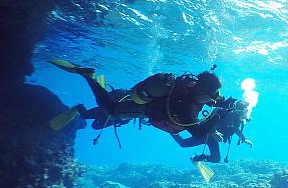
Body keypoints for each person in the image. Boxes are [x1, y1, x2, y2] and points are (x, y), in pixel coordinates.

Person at [48, 59, 222, 136]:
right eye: (211, 96)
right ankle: (89, 78)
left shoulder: (191, 86)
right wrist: (217, 118)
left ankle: (107, 92)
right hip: (143, 108)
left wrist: (222, 103)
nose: (212, 100)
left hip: (146, 102)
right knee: (109, 109)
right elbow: (198, 133)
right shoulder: (184, 108)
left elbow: (212, 98)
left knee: (110, 109)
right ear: (201, 93)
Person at [172, 97, 253, 163]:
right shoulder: (229, 115)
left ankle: (195, 158)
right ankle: (171, 129)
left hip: (213, 139)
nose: (247, 112)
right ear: (242, 111)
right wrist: (215, 132)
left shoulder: (237, 119)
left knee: (216, 159)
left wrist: (243, 138)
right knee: (183, 143)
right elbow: (214, 122)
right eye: (247, 110)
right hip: (206, 135)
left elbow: (235, 129)